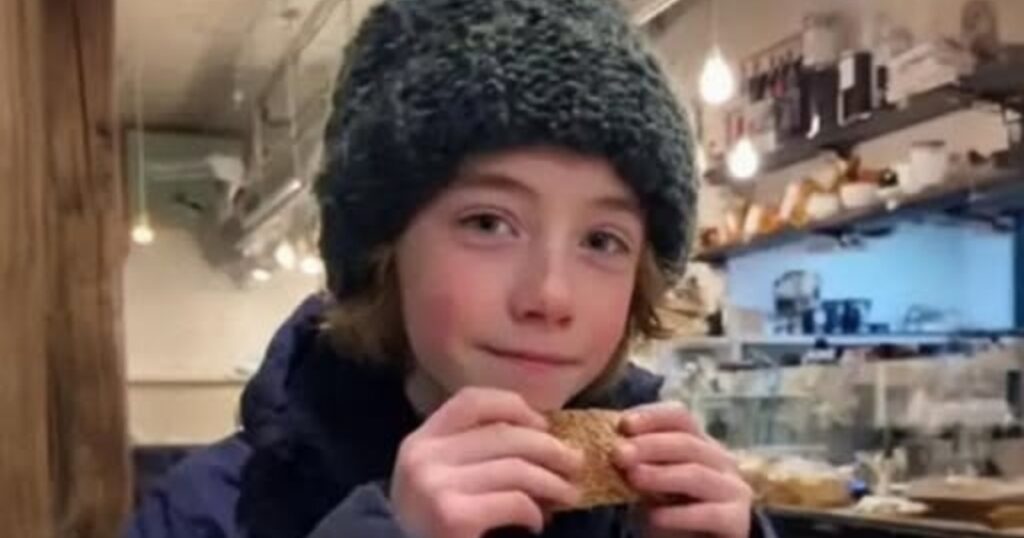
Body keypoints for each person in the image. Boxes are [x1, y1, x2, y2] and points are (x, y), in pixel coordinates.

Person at [125, 0, 763, 536]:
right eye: (488, 224)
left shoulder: (661, 511)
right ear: (383, 244)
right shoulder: (205, 512)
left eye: (602, 240)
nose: (550, 296)